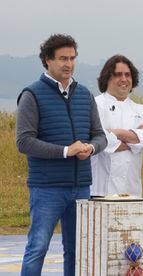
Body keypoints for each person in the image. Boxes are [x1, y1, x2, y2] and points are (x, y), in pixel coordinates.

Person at [16, 34, 107, 276]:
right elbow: (24, 142)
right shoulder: (31, 95)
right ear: (47, 60)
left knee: (78, 251)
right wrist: (67, 151)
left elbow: (100, 136)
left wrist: (91, 148)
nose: (69, 64)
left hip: (81, 188)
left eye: (72, 58)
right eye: (62, 59)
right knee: (38, 247)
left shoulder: (85, 94)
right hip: (47, 188)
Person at [91, 55, 143, 197]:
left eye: (128, 75)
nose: (124, 79)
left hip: (131, 191)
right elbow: (97, 139)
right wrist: (134, 140)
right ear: (107, 78)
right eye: (117, 74)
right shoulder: (94, 105)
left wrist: (116, 132)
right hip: (99, 190)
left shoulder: (140, 109)